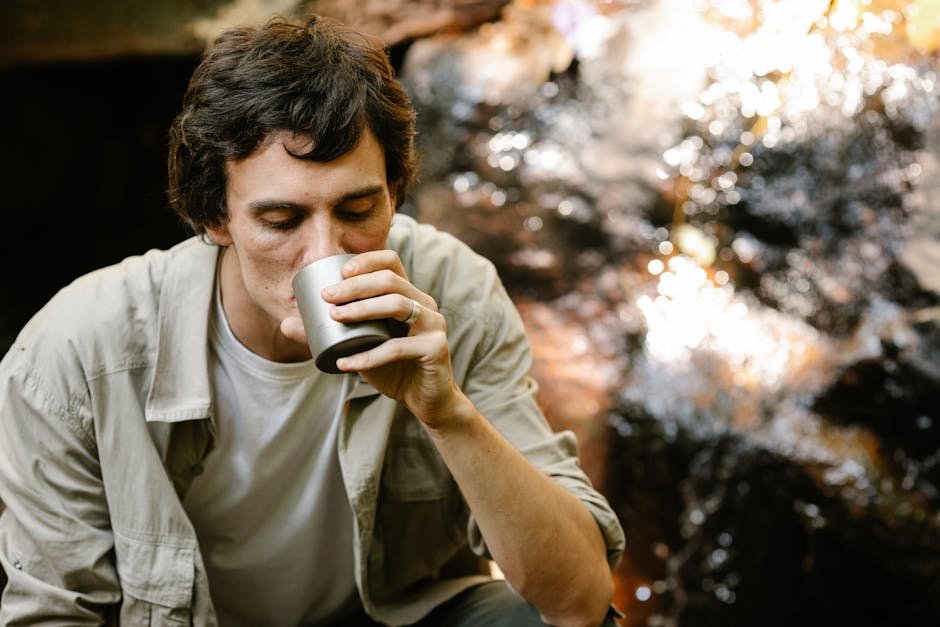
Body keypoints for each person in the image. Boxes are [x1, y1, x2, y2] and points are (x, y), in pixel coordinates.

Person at [0, 14, 625, 627]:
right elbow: (53, 611)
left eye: (358, 209)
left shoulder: (450, 295)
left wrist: (448, 414)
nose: (326, 254)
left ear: (395, 192)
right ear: (215, 219)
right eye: (281, 221)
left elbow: (577, 602)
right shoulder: (80, 350)